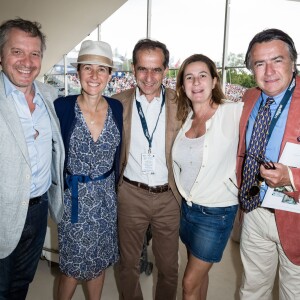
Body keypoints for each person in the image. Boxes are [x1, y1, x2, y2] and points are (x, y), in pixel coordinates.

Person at [0, 18, 64, 300]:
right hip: (3, 212)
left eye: (34, 53)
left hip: (38, 211)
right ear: (1, 54)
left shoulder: (50, 96)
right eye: (17, 51)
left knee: (21, 284)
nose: (27, 61)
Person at [112, 38, 181, 300]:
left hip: (168, 197)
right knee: (128, 265)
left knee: (169, 268)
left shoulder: (181, 103)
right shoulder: (117, 104)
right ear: (133, 69)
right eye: (143, 68)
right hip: (130, 194)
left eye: (156, 69)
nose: (149, 77)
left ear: (165, 70)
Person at [54, 40, 123, 300]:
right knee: (71, 267)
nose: (94, 76)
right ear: (78, 72)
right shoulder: (62, 107)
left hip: (106, 199)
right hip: (74, 200)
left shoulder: (116, 108)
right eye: (88, 68)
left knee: (99, 261)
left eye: (102, 69)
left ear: (109, 75)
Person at [172, 54, 243, 300]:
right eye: (189, 77)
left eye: (203, 75)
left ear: (214, 81)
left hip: (216, 213)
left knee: (189, 283)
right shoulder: (187, 120)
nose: (196, 82)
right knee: (200, 277)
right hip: (189, 210)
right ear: (182, 86)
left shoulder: (232, 112)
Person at [237, 28, 300, 299]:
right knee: (252, 290)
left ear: (293, 62)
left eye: (277, 60)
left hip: (295, 217)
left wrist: (293, 177)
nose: (269, 71)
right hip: (255, 212)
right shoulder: (250, 98)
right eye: (259, 63)